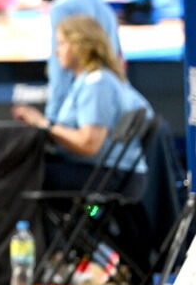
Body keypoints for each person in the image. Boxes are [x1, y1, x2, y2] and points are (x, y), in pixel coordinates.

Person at [12, 15, 154, 195]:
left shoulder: (97, 84)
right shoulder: (90, 81)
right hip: (103, 177)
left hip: (108, 182)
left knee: (22, 174)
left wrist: (44, 124)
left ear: (81, 45)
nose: (56, 52)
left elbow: (89, 145)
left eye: (62, 43)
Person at [30, 0, 121, 121]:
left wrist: (52, 118)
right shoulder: (103, 7)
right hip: (111, 99)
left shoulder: (62, 8)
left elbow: (60, 68)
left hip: (81, 107)